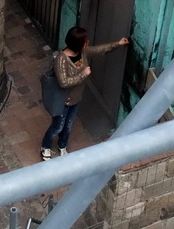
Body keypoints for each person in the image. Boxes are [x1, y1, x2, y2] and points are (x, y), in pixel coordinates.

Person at [41, 26, 129, 161]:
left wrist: (118, 44)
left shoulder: (82, 53)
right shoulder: (61, 59)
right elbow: (63, 82)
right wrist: (83, 74)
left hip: (76, 99)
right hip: (63, 101)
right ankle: (45, 146)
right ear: (77, 43)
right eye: (85, 41)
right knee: (57, 126)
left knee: (68, 125)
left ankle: (62, 145)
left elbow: (99, 50)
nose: (87, 43)